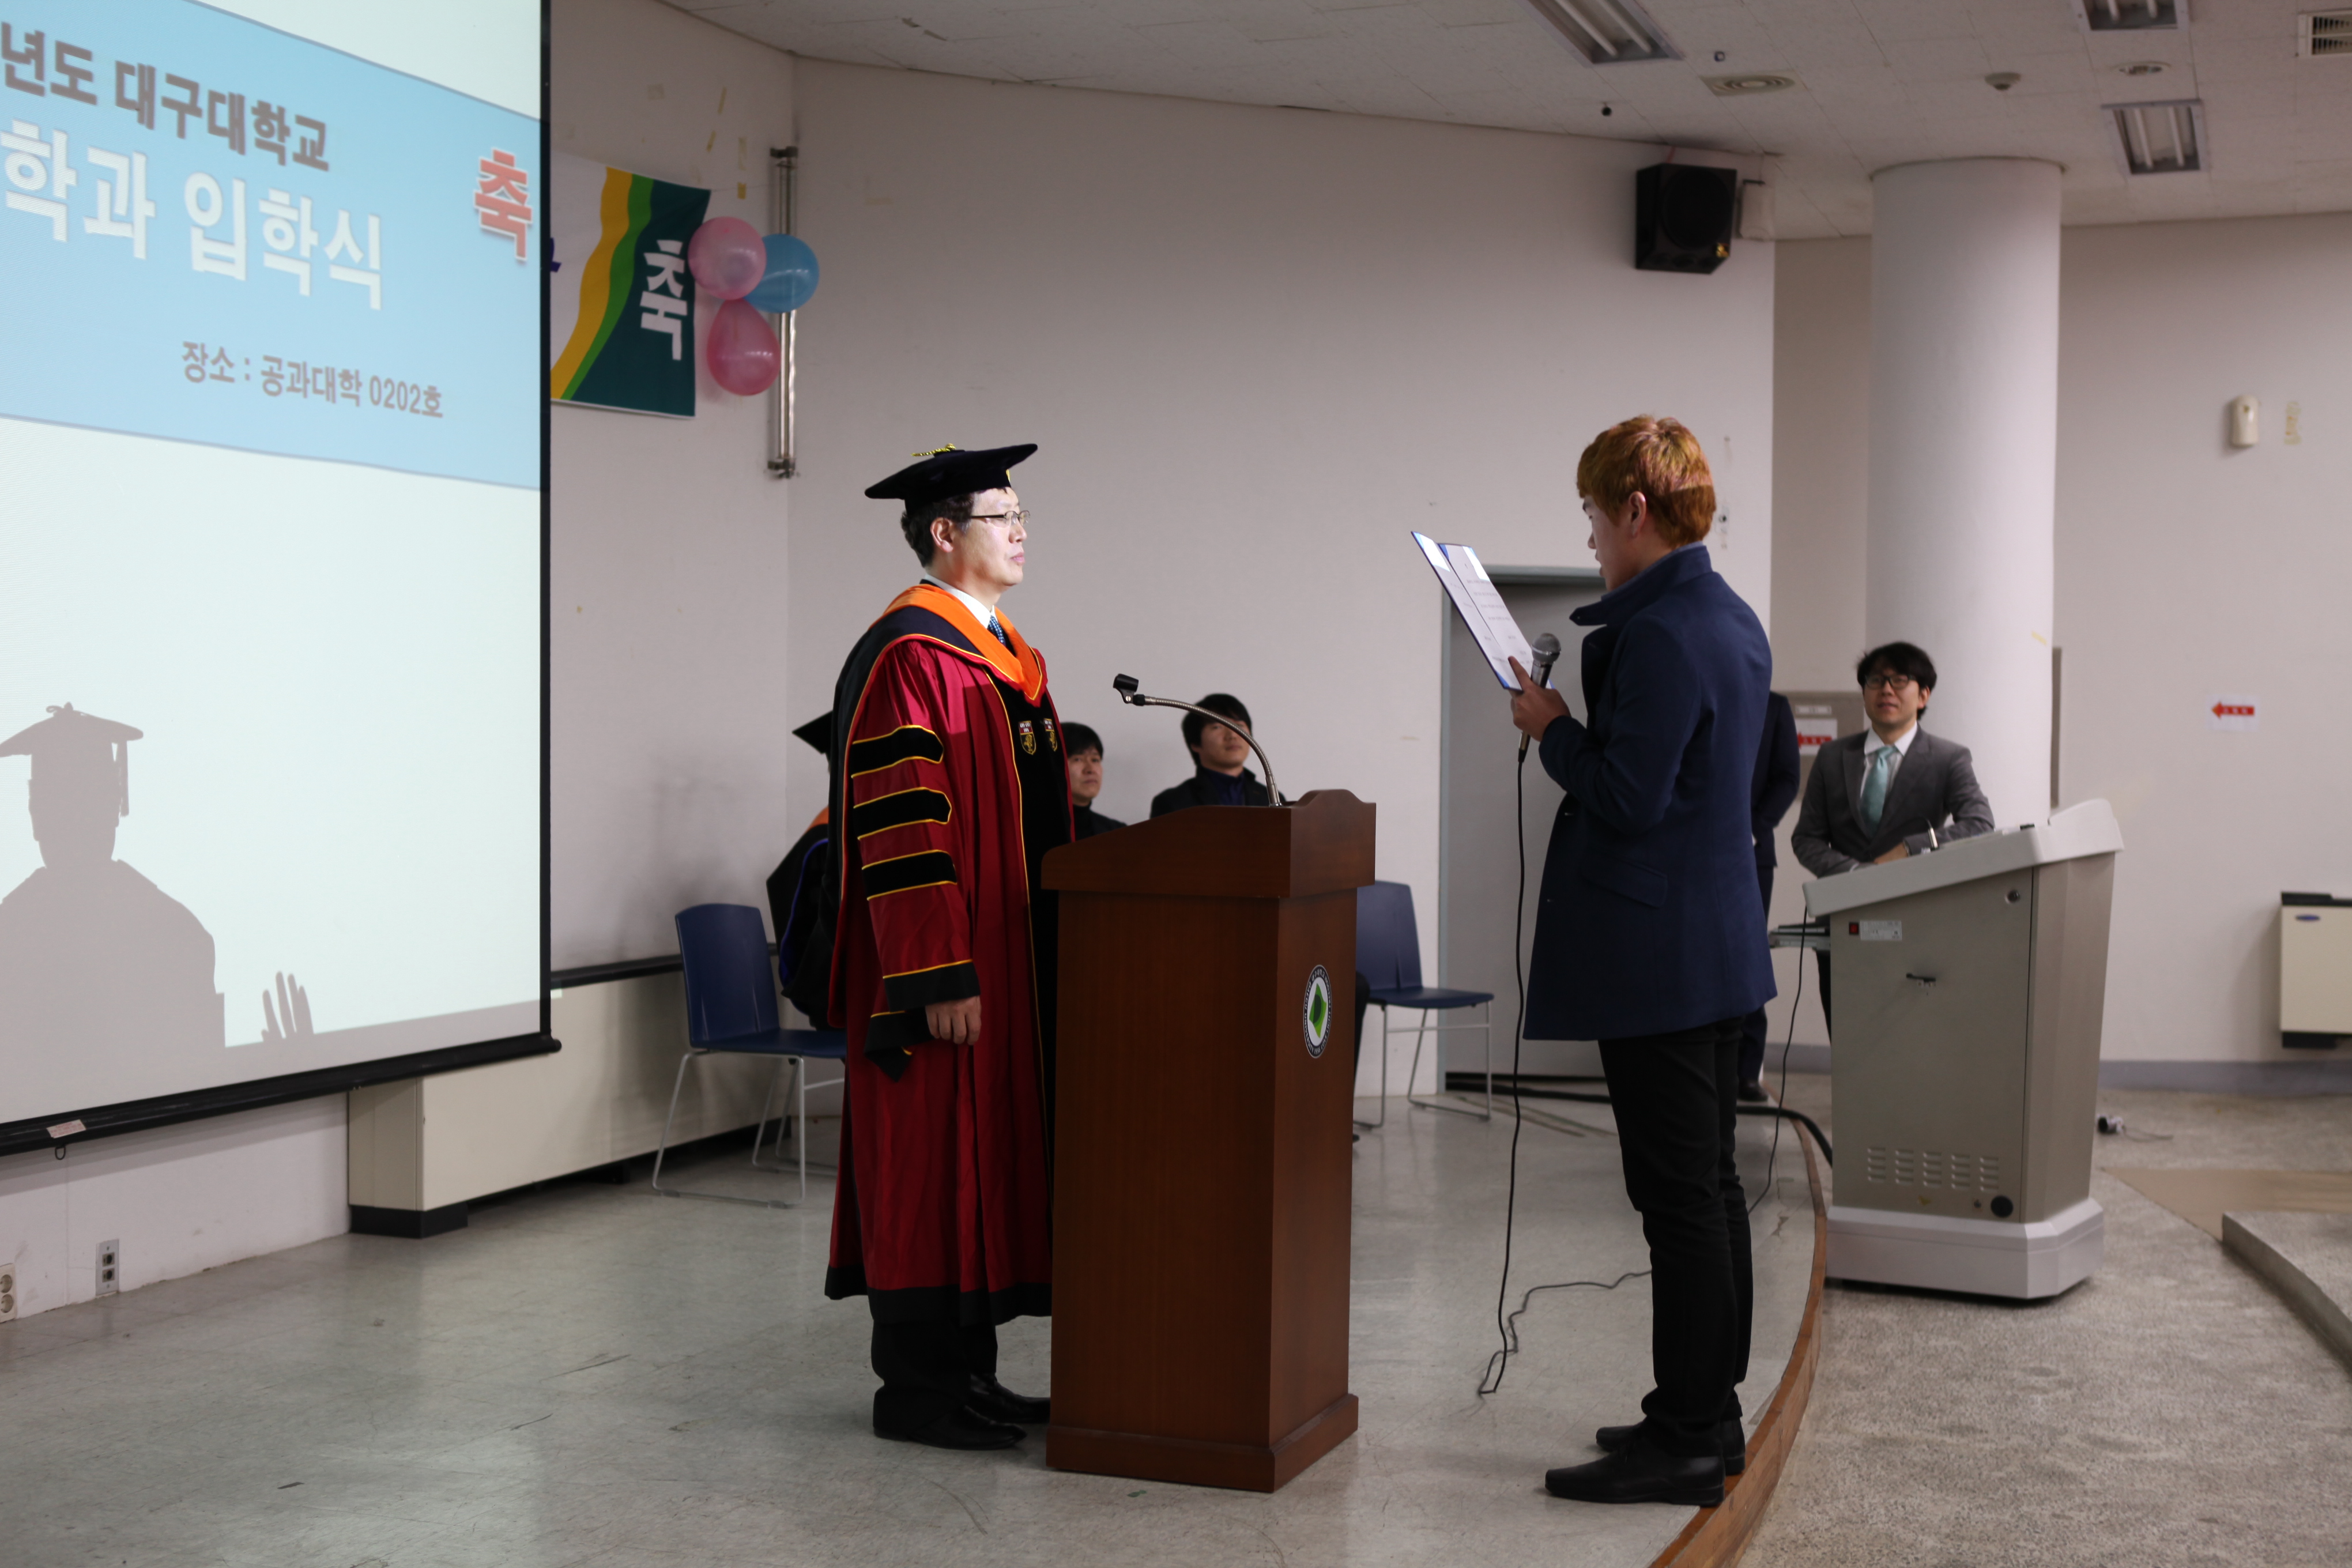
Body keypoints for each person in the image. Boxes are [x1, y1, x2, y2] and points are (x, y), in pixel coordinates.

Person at [1506, 416, 1773, 1508]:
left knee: (1680, 1200)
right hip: (1712, 943)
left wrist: (1552, 727)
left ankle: (1687, 1441)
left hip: (1661, 959)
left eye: (1591, 513)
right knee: (1707, 1189)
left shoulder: (1663, 633)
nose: (1588, 538)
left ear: (1634, 509)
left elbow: (1626, 795)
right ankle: (1708, 1413)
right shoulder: (1731, 617)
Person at [820, 443, 1069, 1453]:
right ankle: (918, 1394)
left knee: (979, 1165)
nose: (1021, 532)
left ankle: (973, 1377)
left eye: (1021, 515)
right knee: (930, 1169)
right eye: (1002, 516)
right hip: (938, 974)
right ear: (943, 532)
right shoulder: (910, 655)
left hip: (1008, 964)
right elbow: (903, 826)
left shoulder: (1003, 656)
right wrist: (937, 973)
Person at [1789, 641, 1994, 1031]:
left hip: (1918, 917)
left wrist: (1910, 849)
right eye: (1876, 680)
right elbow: (1807, 838)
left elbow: (1979, 823)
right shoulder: (1833, 757)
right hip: (1844, 914)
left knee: (1911, 1037)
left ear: (1923, 695)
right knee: (1847, 1034)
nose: (1886, 689)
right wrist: (1855, 874)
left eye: (1900, 680)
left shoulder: (1948, 758)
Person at [0, 704, 223, 1056]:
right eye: (59, 804)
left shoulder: (176, 935)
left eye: (83, 802)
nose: (72, 823)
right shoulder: (177, 930)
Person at [1739, 693, 1800, 1100]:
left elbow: (1787, 779)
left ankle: (1746, 1070)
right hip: (1690, 848)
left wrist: (1752, 830)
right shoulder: (1696, 689)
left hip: (1752, 851)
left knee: (1748, 957)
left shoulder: (1773, 706)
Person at [1148, 693, 1272, 815]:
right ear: (1195, 744)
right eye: (1218, 727)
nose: (1233, 735)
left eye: (1239, 725)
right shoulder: (1172, 802)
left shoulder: (1272, 799)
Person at [1061, 722, 1125, 839]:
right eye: (1078, 759)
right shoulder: (1030, 831)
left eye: (1095, 760)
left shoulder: (1117, 832)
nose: (1090, 770)